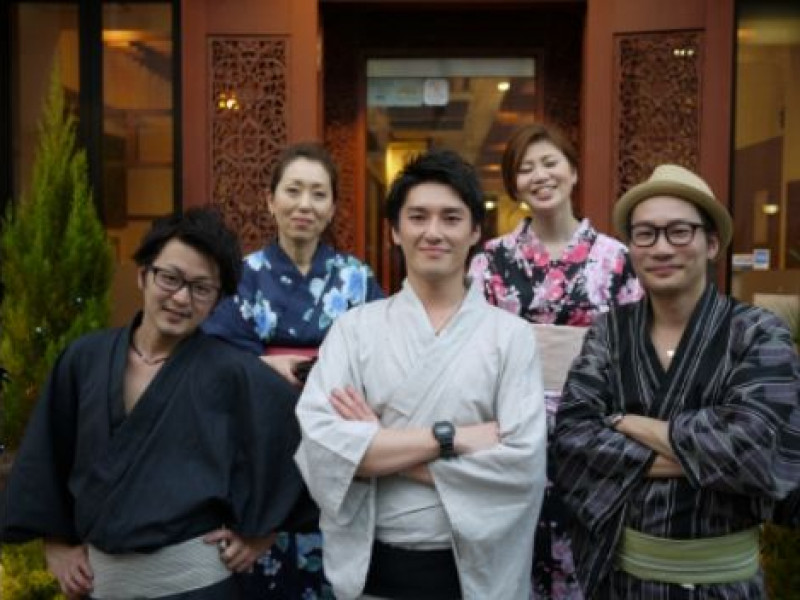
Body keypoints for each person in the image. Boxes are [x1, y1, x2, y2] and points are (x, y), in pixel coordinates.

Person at [0, 208, 306, 599]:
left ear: (217, 301)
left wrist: (263, 535)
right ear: (143, 275)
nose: (181, 298)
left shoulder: (234, 372)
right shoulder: (83, 359)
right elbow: (48, 456)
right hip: (100, 586)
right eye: (170, 278)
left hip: (199, 586)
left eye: (201, 288)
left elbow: (300, 447)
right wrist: (55, 544)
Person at [295, 149, 547, 600]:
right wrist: (450, 438)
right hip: (375, 571)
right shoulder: (353, 330)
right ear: (395, 230)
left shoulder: (512, 337)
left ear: (475, 231)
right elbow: (322, 448)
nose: (433, 232)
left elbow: (522, 470)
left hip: (473, 577)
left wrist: (375, 447)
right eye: (418, 217)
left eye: (451, 218)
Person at [553, 164, 800, 598]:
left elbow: (754, 451)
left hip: (724, 583)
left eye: (680, 232)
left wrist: (628, 423)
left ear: (712, 243)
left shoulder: (759, 333)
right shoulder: (609, 333)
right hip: (621, 582)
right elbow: (573, 441)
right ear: (631, 248)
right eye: (645, 234)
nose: (662, 248)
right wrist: (708, 454)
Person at [203, 142, 384, 599]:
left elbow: (385, 361)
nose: (305, 204)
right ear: (270, 200)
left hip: (336, 448)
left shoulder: (357, 279)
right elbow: (211, 364)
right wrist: (263, 365)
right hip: (261, 450)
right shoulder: (241, 276)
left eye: (319, 194)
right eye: (293, 190)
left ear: (333, 207)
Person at [469, 123, 641, 599]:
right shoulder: (490, 260)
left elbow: (633, 349)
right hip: (511, 425)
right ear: (513, 184)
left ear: (573, 171)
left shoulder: (616, 258)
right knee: (512, 560)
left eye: (550, 163)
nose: (540, 176)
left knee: (585, 560)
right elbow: (473, 347)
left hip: (593, 427)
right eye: (526, 169)